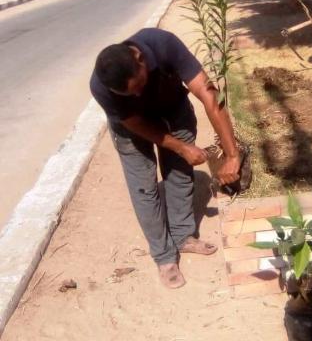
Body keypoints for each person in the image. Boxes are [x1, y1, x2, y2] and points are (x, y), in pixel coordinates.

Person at [90, 27, 240, 289]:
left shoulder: (163, 44)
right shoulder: (100, 86)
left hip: (174, 110)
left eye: (139, 86)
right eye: (129, 94)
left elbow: (209, 95)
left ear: (140, 59)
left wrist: (232, 154)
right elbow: (135, 123)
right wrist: (181, 147)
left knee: (180, 173)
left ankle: (183, 236)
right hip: (132, 128)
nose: (137, 95)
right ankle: (164, 256)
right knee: (145, 188)